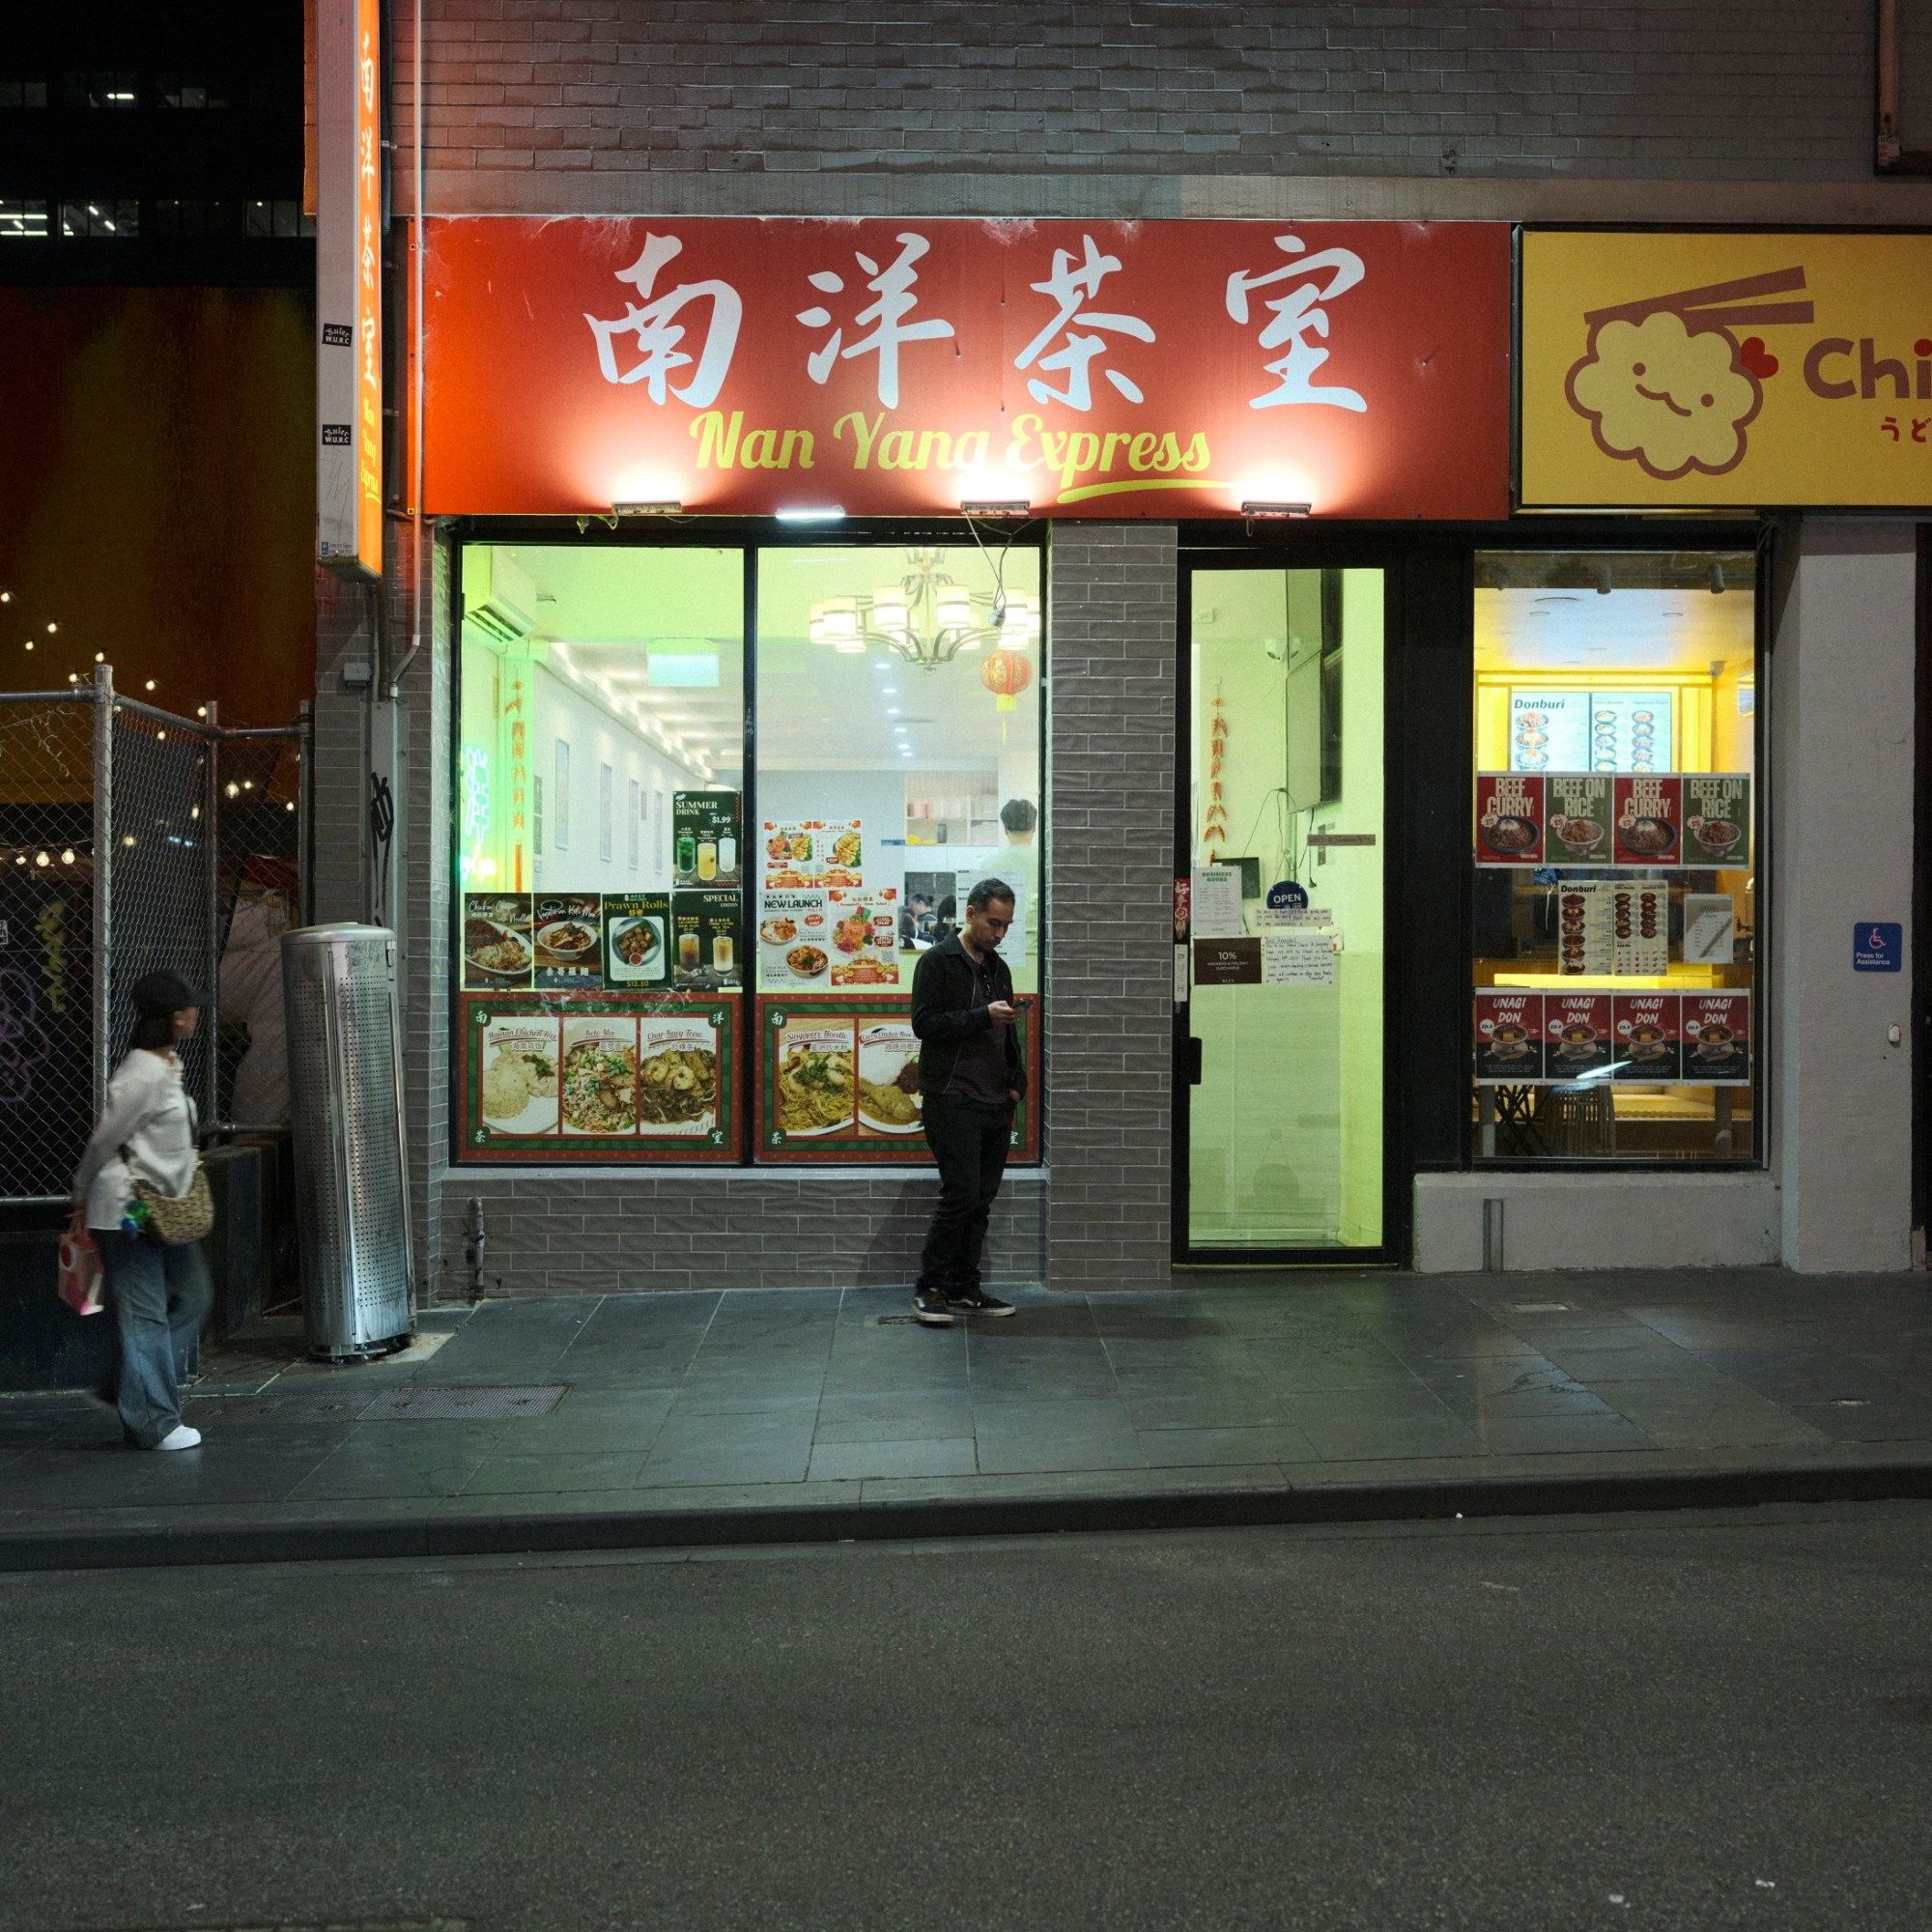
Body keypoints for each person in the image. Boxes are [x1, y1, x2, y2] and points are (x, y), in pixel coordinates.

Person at [71, 969, 214, 1451]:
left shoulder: (167, 1064)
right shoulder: (141, 1075)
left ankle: (125, 1383)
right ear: (176, 1017)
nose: (196, 1013)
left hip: (165, 1208)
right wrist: (80, 1193)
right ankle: (153, 1421)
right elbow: (103, 1141)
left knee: (193, 1296)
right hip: (128, 1211)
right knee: (145, 1316)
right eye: (191, 1007)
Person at [908, 878, 1027, 1323]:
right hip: (951, 1096)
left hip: (996, 1098)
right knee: (960, 1194)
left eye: (1007, 925)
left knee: (981, 1201)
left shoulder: (998, 967)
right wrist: (982, 1016)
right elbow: (924, 1024)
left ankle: (963, 1288)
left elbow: (1005, 1033)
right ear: (971, 913)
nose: (1000, 933)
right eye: (994, 923)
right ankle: (930, 1287)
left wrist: (1017, 1082)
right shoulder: (937, 961)